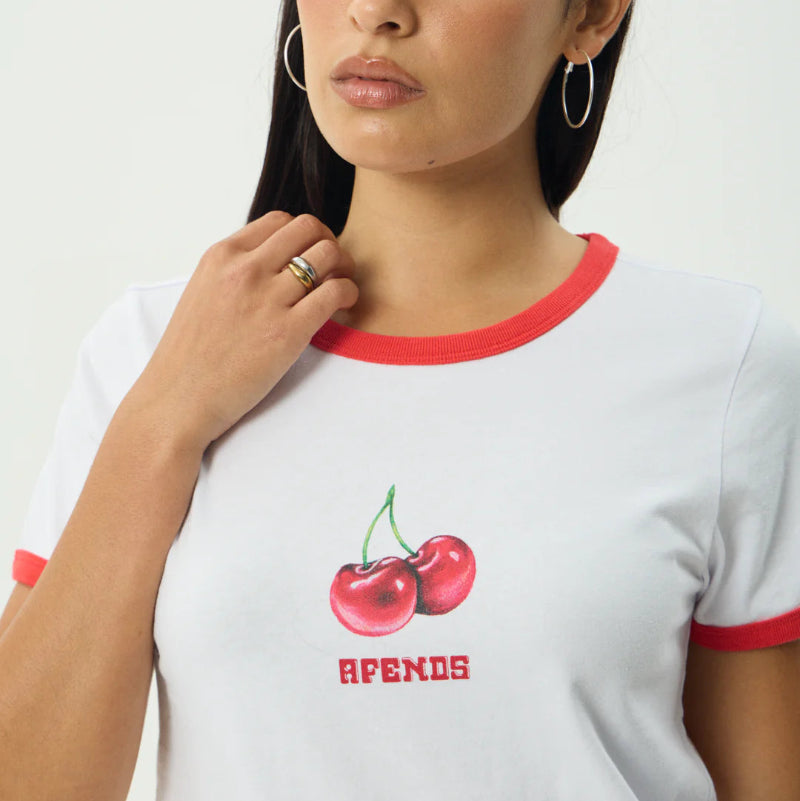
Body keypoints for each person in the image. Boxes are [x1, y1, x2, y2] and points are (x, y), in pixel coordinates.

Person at [2, 0, 800, 799]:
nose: (376, 10)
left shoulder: (720, 362)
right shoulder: (149, 350)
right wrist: (166, 419)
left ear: (589, 16)